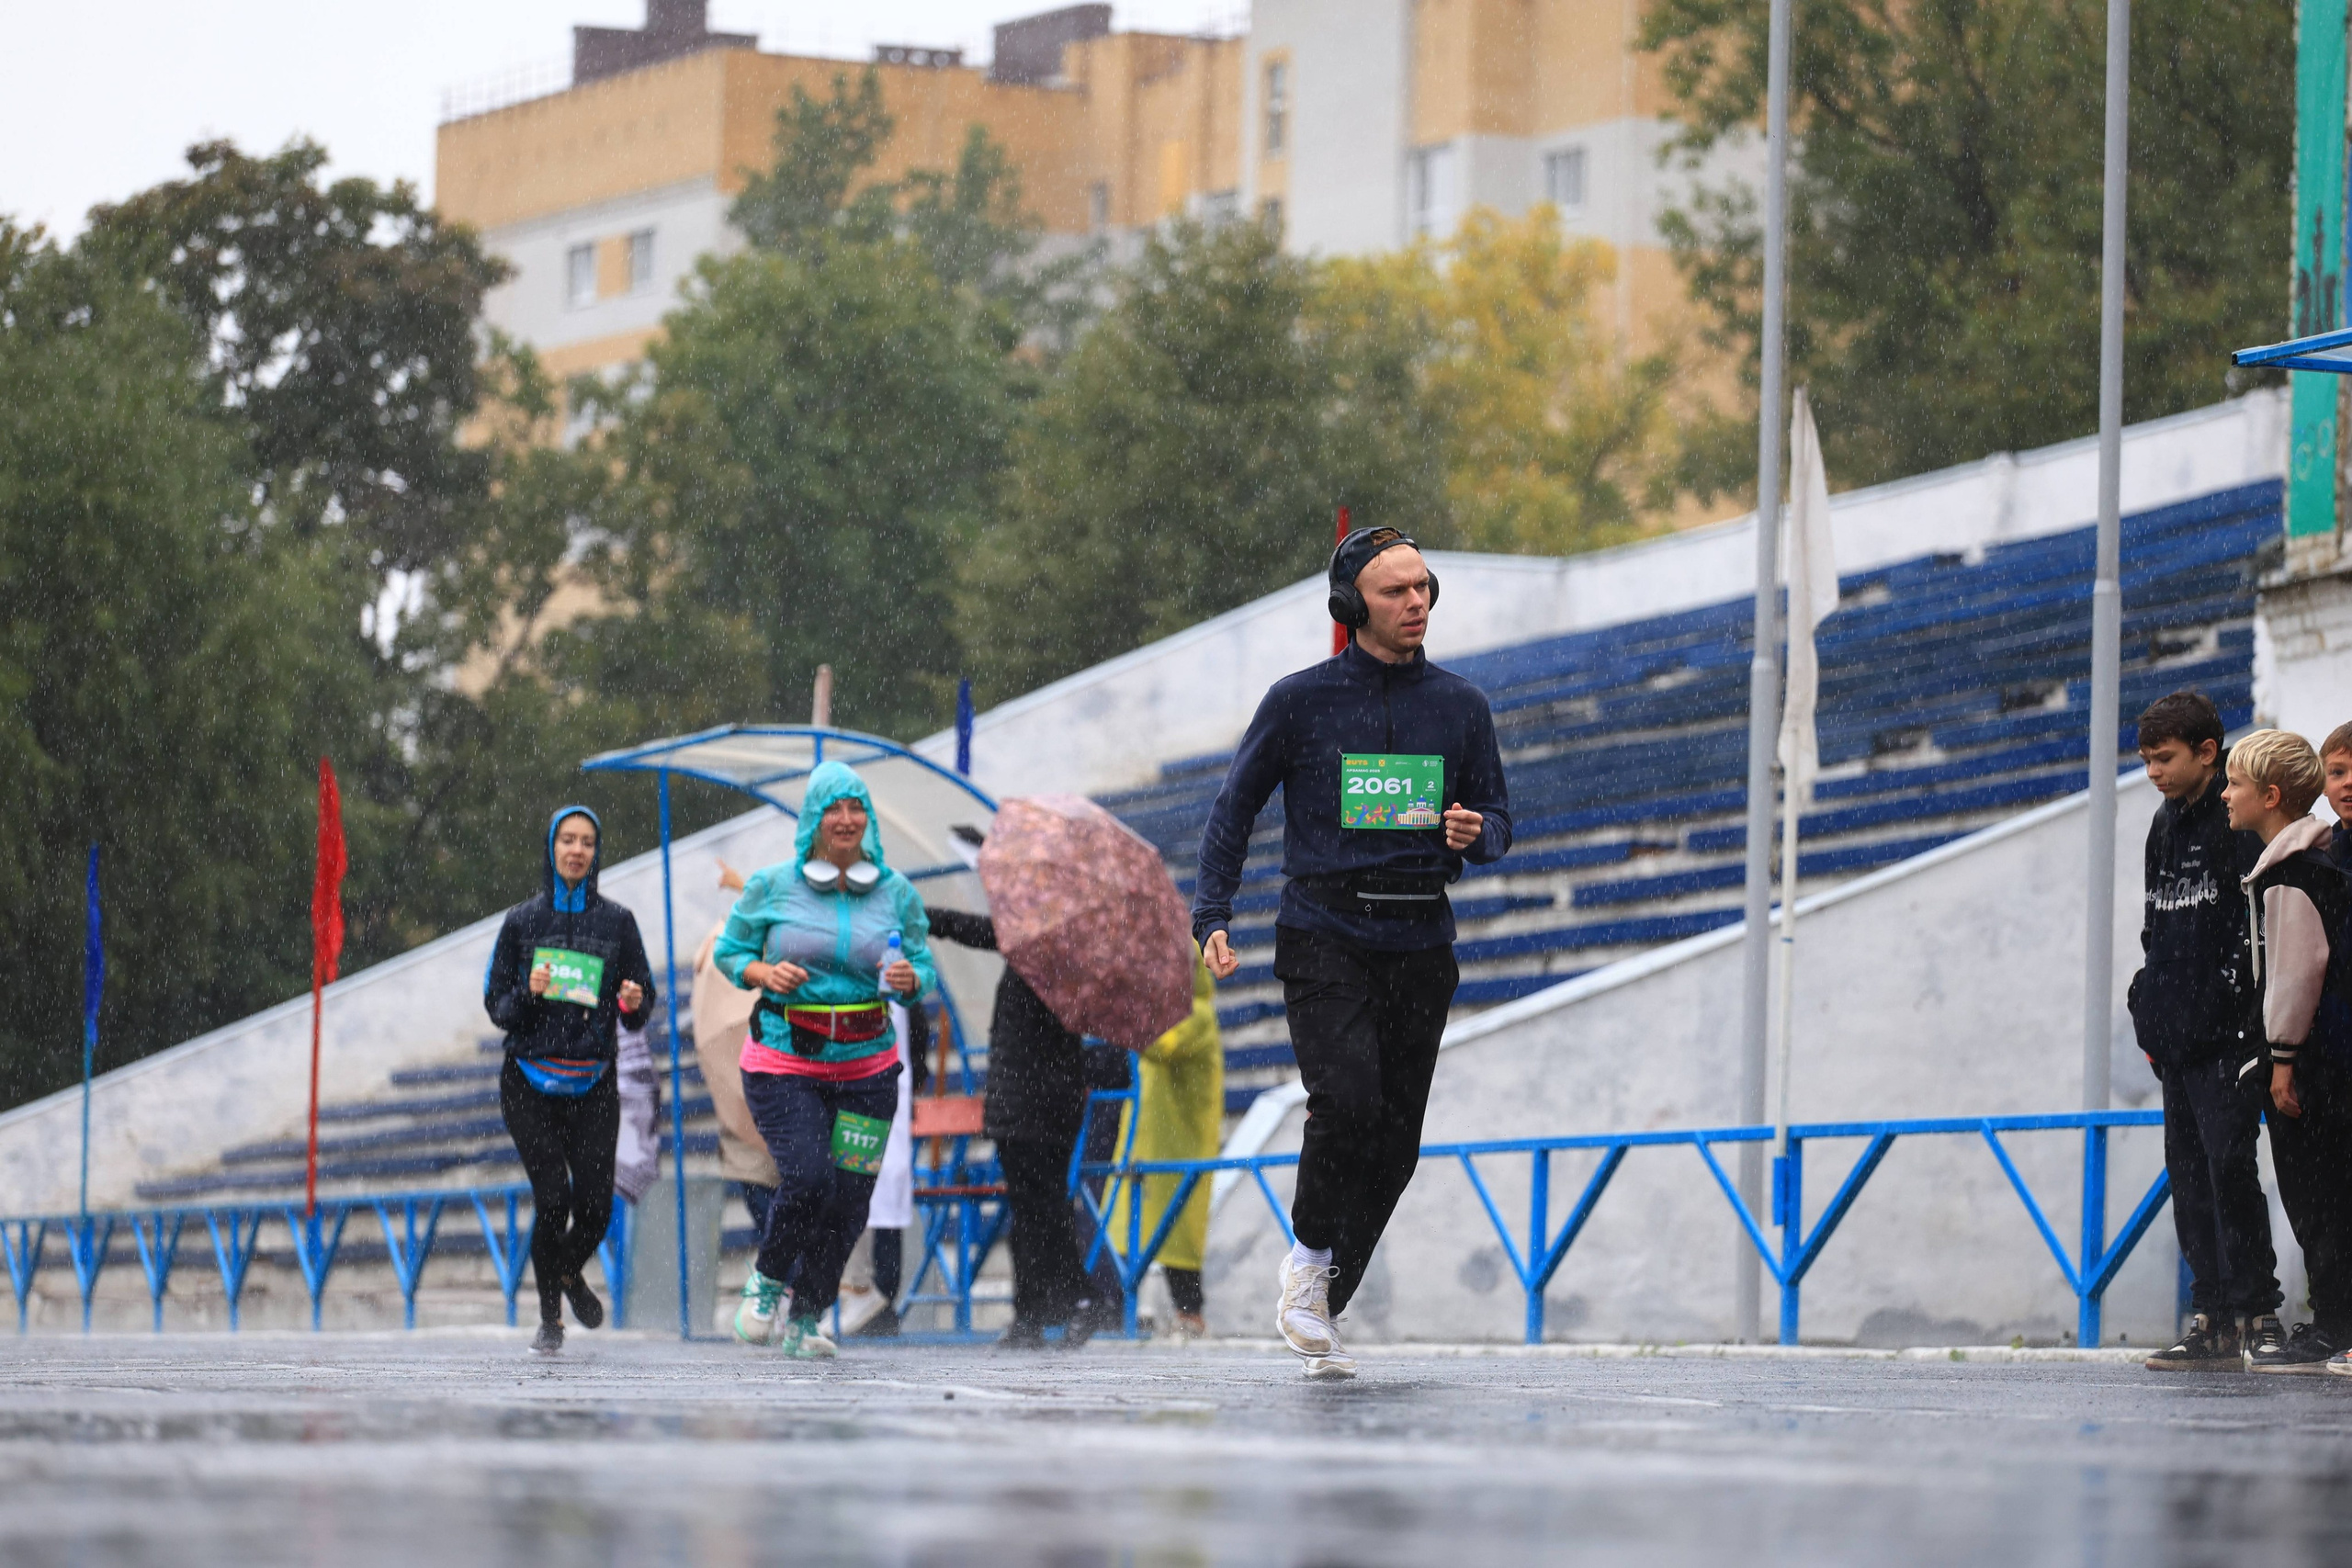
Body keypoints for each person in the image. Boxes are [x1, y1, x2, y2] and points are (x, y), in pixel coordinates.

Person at [1194, 525, 1510, 1380]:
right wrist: (1212, 911)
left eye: (1423, 587)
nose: (1416, 603)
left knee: (1397, 1142)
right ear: (1351, 606)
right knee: (1347, 1101)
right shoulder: (1299, 700)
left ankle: (1326, 1295)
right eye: (1395, 591)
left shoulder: (1463, 705)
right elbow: (1235, 809)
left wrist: (1477, 831)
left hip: (1421, 939)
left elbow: (1499, 821)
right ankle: (1305, 1259)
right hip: (1324, 932)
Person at [715, 761, 935, 1359]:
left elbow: (921, 966)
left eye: (855, 807)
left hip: (867, 1067)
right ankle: (767, 1282)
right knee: (809, 1175)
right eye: (833, 808)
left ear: (867, 818)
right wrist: (763, 970)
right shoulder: (771, 885)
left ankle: (808, 1317)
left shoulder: (896, 893)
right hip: (786, 1060)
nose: (845, 819)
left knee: (850, 1198)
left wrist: (911, 977)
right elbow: (731, 952)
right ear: (812, 819)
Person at [2126, 694, 2276, 1371]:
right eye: (2148, 760)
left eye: (2165, 758)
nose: (2155, 771)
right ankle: (2211, 1316)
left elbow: (2258, 930)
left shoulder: (2239, 819)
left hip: (2231, 1038)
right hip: (2177, 1042)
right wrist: (2148, 1012)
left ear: (2207, 752)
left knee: (2230, 1171)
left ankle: (2259, 1311)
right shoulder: (2161, 824)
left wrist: (2250, 1024)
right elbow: (2155, 926)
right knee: (2187, 1177)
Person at [483, 806, 655, 1356]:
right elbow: (497, 1007)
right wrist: (529, 991)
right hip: (529, 1083)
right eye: (567, 840)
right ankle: (550, 1319)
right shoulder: (521, 923)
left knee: (598, 1208)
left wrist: (633, 1001)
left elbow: (641, 1000)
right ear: (551, 848)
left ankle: (567, 1273)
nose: (577, 851)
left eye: (586, 842)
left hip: (594, 1083)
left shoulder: (617, 922)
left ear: (596, 852)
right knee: (554, 1199)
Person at [2222, 729, 2352, 1371]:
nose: (2225, 794)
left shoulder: (2289, 873)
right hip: (2323, 1058)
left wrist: (2281, 1060)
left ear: (2269, 796)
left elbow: (2297, 973)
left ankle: (2333, 1324)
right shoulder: (2308, 863)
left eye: (2235, 783)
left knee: (2317, 1195)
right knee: (2324, 1193)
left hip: (2312, 1065)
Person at [927, 906, 1114, 1348]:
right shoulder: (1075, 957)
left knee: (1040, 1207)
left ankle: (1076, 1299)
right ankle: (1032, 1313)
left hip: (1028, 1098)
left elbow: (977, 930)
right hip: (1049, 1096)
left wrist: (920, 913)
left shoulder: (1042, 950)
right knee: (1036, 1206)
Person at [1106, 943, 1225, 1337]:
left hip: (1181, 1145)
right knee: (1133, 1229)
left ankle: (1190, 1317)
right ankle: (1120, 1311)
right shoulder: (1166, 1014)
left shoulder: (1198, 1016)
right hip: (1149, 1142)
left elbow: (1161, 1045)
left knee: (1177, 1234)